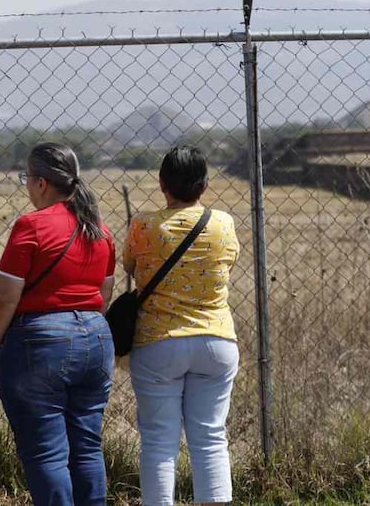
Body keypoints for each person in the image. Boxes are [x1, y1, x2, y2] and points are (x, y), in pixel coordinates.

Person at [0, 142, 116, 506]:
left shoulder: (31, 225)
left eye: (27, 178)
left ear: (41, 183)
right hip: (96, 339)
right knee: (87, 447)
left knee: (46, 452)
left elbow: (5, 297)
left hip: (42, 343)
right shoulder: (100, 229)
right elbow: (104, 292)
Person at [124, 146, 240, 506]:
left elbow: (129, 266)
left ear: (162, 184)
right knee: (211, 438)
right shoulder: (223, 223)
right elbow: (229, 263)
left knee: (159, 441)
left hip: (158, 342)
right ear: (204, 186)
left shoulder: (143, 225)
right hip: (216, 341)